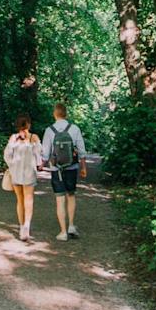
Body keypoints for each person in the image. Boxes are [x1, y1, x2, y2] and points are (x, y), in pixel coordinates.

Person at [40, 103, 88, 242]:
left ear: (54, 114)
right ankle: (71, 226)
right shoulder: (74, 129)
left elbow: (45, 153)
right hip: (72, 167)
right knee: (71, 196)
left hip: (57, 169)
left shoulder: (49, 130)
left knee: (60, 200)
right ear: (66, 114)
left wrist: (42, 165)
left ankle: (62, 232)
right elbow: (81, 150)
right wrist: (84, 168)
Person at [2, 115, 40, 241]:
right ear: (28, 124)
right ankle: (27, 226)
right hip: (29, 172)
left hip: (16, 173)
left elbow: (7, 155)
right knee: (28, 198)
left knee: (20, 199)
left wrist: (11, 166)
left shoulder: (13, 137)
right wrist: (39, 164)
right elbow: (39, 155)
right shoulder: (33, 137)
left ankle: (21, 225)